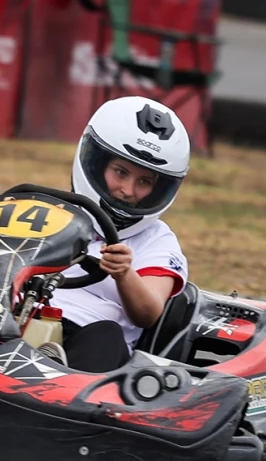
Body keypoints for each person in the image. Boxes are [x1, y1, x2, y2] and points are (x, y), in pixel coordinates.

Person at [49, 96, 191, 370]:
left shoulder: (157, 241)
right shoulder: (50, 210)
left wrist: (124, 274)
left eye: (144, 182)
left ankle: (56, 376)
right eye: (120, 172)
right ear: (96, 163)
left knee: (106, 335)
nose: (127, 190)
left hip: (88, 345)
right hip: (17, 321)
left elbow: (148, 314)